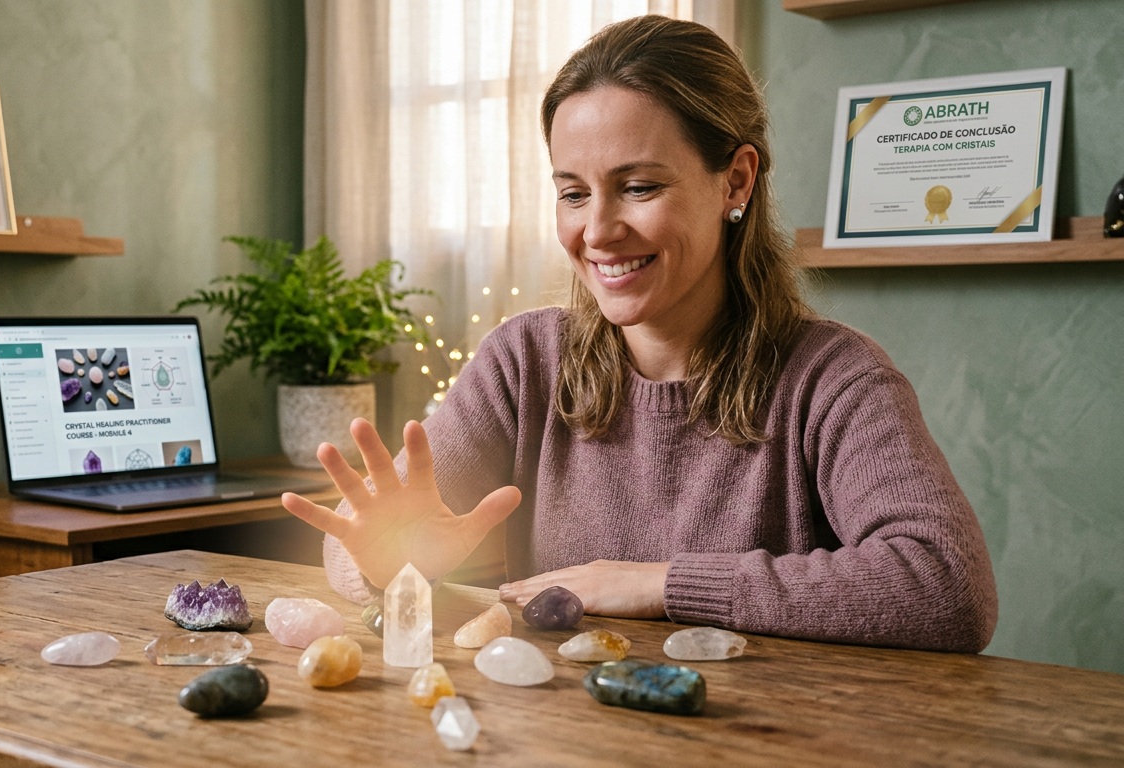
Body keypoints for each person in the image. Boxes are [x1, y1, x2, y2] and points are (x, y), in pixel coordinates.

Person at [281, 15, 996, 653]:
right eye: (573, 192)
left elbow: (947, 586)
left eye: (639, 186)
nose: (597, 231)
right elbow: (353, 547)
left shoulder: (834, 378)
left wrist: (657, 584)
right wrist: (387, 556)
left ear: (736, 182)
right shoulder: (524, 362)